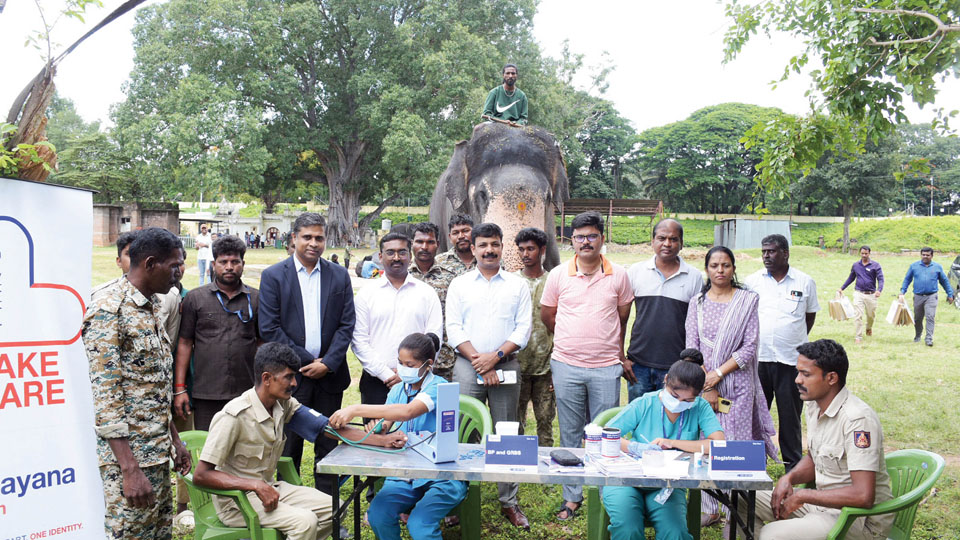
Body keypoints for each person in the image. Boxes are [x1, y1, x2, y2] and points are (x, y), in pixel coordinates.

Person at [193, 342, 405, 540]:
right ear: (267, 378)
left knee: (336, 507)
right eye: (288, 377)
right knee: (305, 522)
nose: (295, 383)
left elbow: (327, 429)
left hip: (270, 488)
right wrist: (254, 485)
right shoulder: (233, 416)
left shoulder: (281, 405)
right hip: (237, 501)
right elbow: (202, 475)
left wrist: (380, 440)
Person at [83, 227, 192, 539]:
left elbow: (153, 386)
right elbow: (106, 398)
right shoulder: (109, 309)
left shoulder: (153, 305)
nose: (179, 272)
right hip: (129, 461)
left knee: (158, 534)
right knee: (130, 534)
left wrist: (175, 439)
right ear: (149, 264)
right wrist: (129, 470)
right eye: (174, 265)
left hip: (157, 452)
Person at [738, 339, 893, 540]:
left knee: (773, 535)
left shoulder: (857, 419)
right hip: (821, 507)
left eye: (806, 374)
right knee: (741, 498)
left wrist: (803, 495)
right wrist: (789, 478)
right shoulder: (814, 406)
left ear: (831, 378)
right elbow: (814, 458)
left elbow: (863, 496)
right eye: (798, 372)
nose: (797, 380)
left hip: (856, 520)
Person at [540, 211, 634, 521]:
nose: (585, 241)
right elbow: (548, 316)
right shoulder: (558, 275)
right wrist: (573, 338)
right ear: (571, 241)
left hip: (606, 366)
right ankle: (572, 496)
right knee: (569, 432)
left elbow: (622, 316)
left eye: (592, 235)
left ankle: (605, 491)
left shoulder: (619, 275)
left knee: (605, 432)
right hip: (566, 364)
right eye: (579, 236)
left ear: (602, 238)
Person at [329, 333, 468, 540]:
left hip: (441, 476)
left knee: (420, 524)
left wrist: (355, 409)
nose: (403, 369)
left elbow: (408, 412)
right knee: (378, 515)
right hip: (403, 475)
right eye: (400, 363)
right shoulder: (397, 390)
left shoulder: (439, 387)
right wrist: (379, 429)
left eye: (409, 364)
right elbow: (387, 421)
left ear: (428, 364)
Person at [258, 212, 356, 493]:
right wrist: (306, 361)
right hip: (291, 377)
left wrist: (328, 362)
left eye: (319, 237)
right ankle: (291, 511)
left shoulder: (338, 275)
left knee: (328, 444)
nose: (313, 243)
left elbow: (346, 323)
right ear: (294, 239)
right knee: (289, 446)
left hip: (330, 376)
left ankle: (328, 512)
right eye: (307, 237)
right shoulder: (274, 276)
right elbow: (269, 327)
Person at [446, 222, 532, 529]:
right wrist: (479, 361)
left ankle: (509, 501)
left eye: (494, 244)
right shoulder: (460, 284)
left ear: (501, 246)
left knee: (508, 431)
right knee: (464, 431)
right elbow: (453, 327)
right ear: (473, 248)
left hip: (505, 364)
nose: (489, 250)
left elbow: (523, 328)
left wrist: (494, 358)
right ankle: (457, 499)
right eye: (483, 245)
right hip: (468, 366)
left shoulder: (517, 285)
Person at [686, 246, 778, 527]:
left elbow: (749, 346)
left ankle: (736, 507)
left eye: (725, 265)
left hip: (736, 382)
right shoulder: (697, 303)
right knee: (709, 439)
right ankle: (710, 506)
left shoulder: (747, 300)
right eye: (714, 265)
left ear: (733, 268)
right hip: (704, 384)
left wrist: (717, 374)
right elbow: (692, 347)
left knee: (735, 441)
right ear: (707, 269)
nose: (720, 271)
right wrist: (706, 383)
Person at [602, 354, 725, 540]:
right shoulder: (645, 403)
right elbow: (604, 437)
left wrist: (673, 443)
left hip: (669, 484)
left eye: (687, 401)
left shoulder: (700, 407)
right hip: (627, 480)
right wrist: (636, 447)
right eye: (675, 396)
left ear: (697, 396)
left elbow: (718, 444)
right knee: (627, 529)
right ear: (666, 379)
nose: (678, 404)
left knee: (675, 533)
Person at [744, 234, 819, 472]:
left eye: (772, 251)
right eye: (764, 251)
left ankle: (793, 468)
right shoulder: (752, 281)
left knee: (790, 417)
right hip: (758, 360)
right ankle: (754, 465)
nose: (766, 255)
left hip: (790, 362)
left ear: (785, 253)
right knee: (755, 415)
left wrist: (790, 338)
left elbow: (809, 317)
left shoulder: (805, 282)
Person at [352, 231, 442, 422]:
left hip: (419, 382)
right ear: (380, 256)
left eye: (402, 252)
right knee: (374, 439)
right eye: (390, 252)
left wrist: (408, 374)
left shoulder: (426, 293)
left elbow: (434, 338)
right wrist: (386, 374)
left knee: (416, 438)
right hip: (376, 381)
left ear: (410, 256)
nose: (396, 257)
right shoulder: (366, 294)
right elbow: (359, 341)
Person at [175, 235, 260, 431]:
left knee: (244, 449)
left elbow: (262, 343)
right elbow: (185, 343)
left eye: (235, 262)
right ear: (214, 264)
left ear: (243, 264)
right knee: (209, 449)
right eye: (223, 262)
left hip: (246, 392)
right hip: (207, 392)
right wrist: (180, 389)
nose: (229, 267)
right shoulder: (196, 299)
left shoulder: (256, 298)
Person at [626, 218, 703, 402]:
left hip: (675, 365)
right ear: (652, 241)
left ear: (682, 243)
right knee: (638, 418)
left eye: (674, 239)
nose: (667, 243)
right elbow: (620, 318)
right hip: (638, 364)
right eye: (661, 238)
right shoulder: (636, 272)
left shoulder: (694, 277)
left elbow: (699, 324)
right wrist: (623, 358)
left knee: (672, 419)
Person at [513, 227, 556, 446]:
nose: (525, 254)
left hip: (546, 366)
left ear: (542, 250)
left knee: (545, 418)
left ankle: (547, 467)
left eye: (531, 249)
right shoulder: (511, 282)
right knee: (515, 420)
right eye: (521, 249)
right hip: (517, 364)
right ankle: (518, 464)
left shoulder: (554, 280)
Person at [408, 221, 459, 382]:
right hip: (409, 362)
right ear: (412, 244)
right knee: (409, 406)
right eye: (419, 242)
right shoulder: (402, 275)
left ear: (437, 244)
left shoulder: (451, 278)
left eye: (430, 242)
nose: (424, 246)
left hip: (444, 362)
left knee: (446, 406)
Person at [899, 247, 954, 347]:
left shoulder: (937, 267)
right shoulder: (914, 266)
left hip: (931, 296)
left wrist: (950, 294)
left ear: (932, 256)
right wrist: (902, 291)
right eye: (923, 254)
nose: (925, 256)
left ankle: (929, 339)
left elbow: (944, 281)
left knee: (930, 317)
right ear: (921, 255)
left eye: (927, 255)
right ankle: (918, 336)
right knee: (918, 318)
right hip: (918, 296)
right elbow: (907, 279)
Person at [838, 246, 884, 343]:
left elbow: (880, 279)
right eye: (862, 253)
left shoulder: (876, 265)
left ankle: (869, 327)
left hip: (871, 294)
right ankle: (858, 336)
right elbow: (851, 278)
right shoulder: (856, 265)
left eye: (866, 253)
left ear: (869, 253)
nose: (864, 255)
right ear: (860, 253)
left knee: (871, 315)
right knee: (858, 315)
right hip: (858, 293)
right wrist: (842, 288)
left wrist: (879, 290)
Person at [91, 231, 140, 301]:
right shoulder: (99, 297)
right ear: (119, 261)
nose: (135, 259)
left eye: (140, 254)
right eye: (130, 254)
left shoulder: (160, 297)